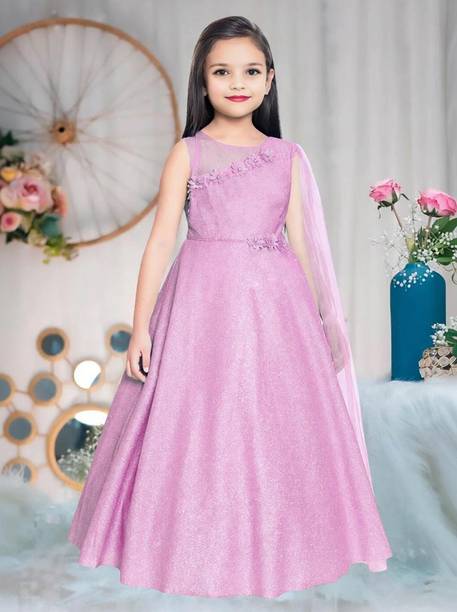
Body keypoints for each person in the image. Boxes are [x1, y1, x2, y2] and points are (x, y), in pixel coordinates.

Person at [68, 15, 392, 599]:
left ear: (270, 80)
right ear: (203, 80)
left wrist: (325, 319)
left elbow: (302, 244)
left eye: (250, 71)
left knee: (274, 430)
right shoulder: (187, 153)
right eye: (222, 72)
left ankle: (271, 550)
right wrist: (140, 328)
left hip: (276, 312)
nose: (237, 82)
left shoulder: (288, 157)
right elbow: (160, 242)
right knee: (196, 426)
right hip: (199, 309)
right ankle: (190, 548)